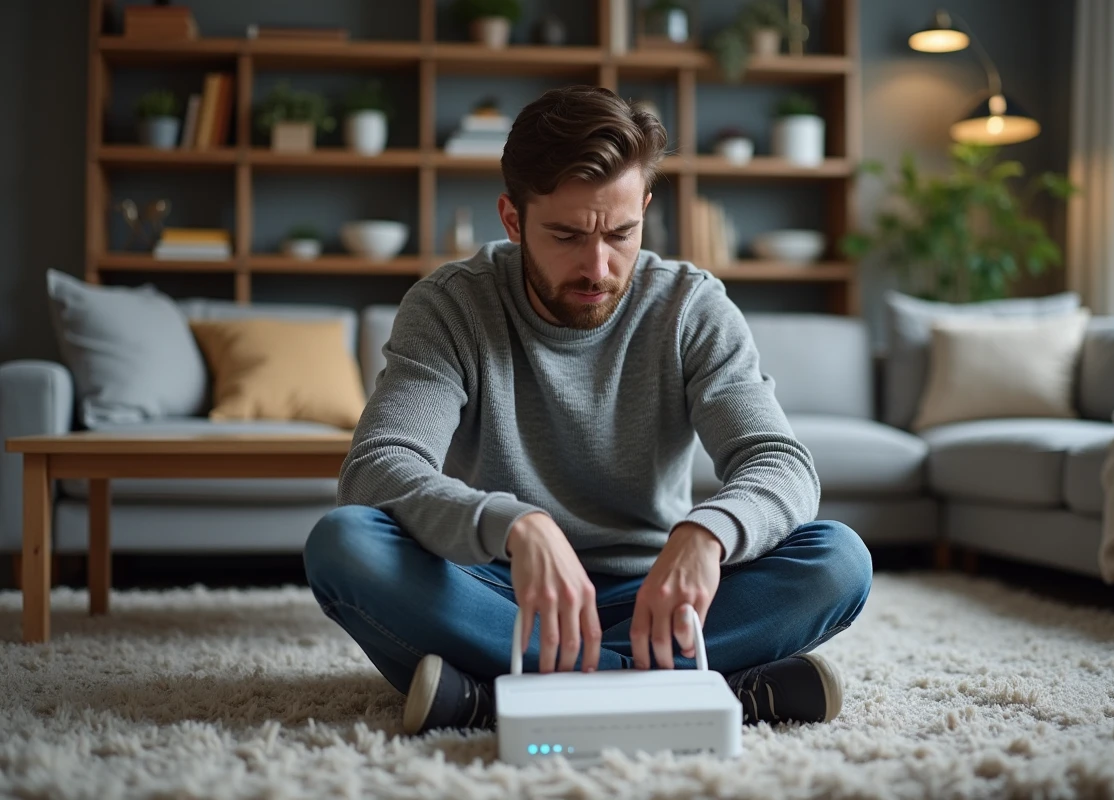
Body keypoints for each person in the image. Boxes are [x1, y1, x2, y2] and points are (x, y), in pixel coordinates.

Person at [303, 85, 873, 737]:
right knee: (344, 544)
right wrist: (516, 526)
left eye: (621, 233)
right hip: (504, 592)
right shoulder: (449, 308)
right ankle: (708, 691)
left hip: (657, 595)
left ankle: (492, 699)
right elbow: (379, 467)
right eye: (567, 235)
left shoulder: (691, 306)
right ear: (513, 220)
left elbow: (779, 462)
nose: (597, 266)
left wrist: (707, 533)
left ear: (645, 210)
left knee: (839, 560)